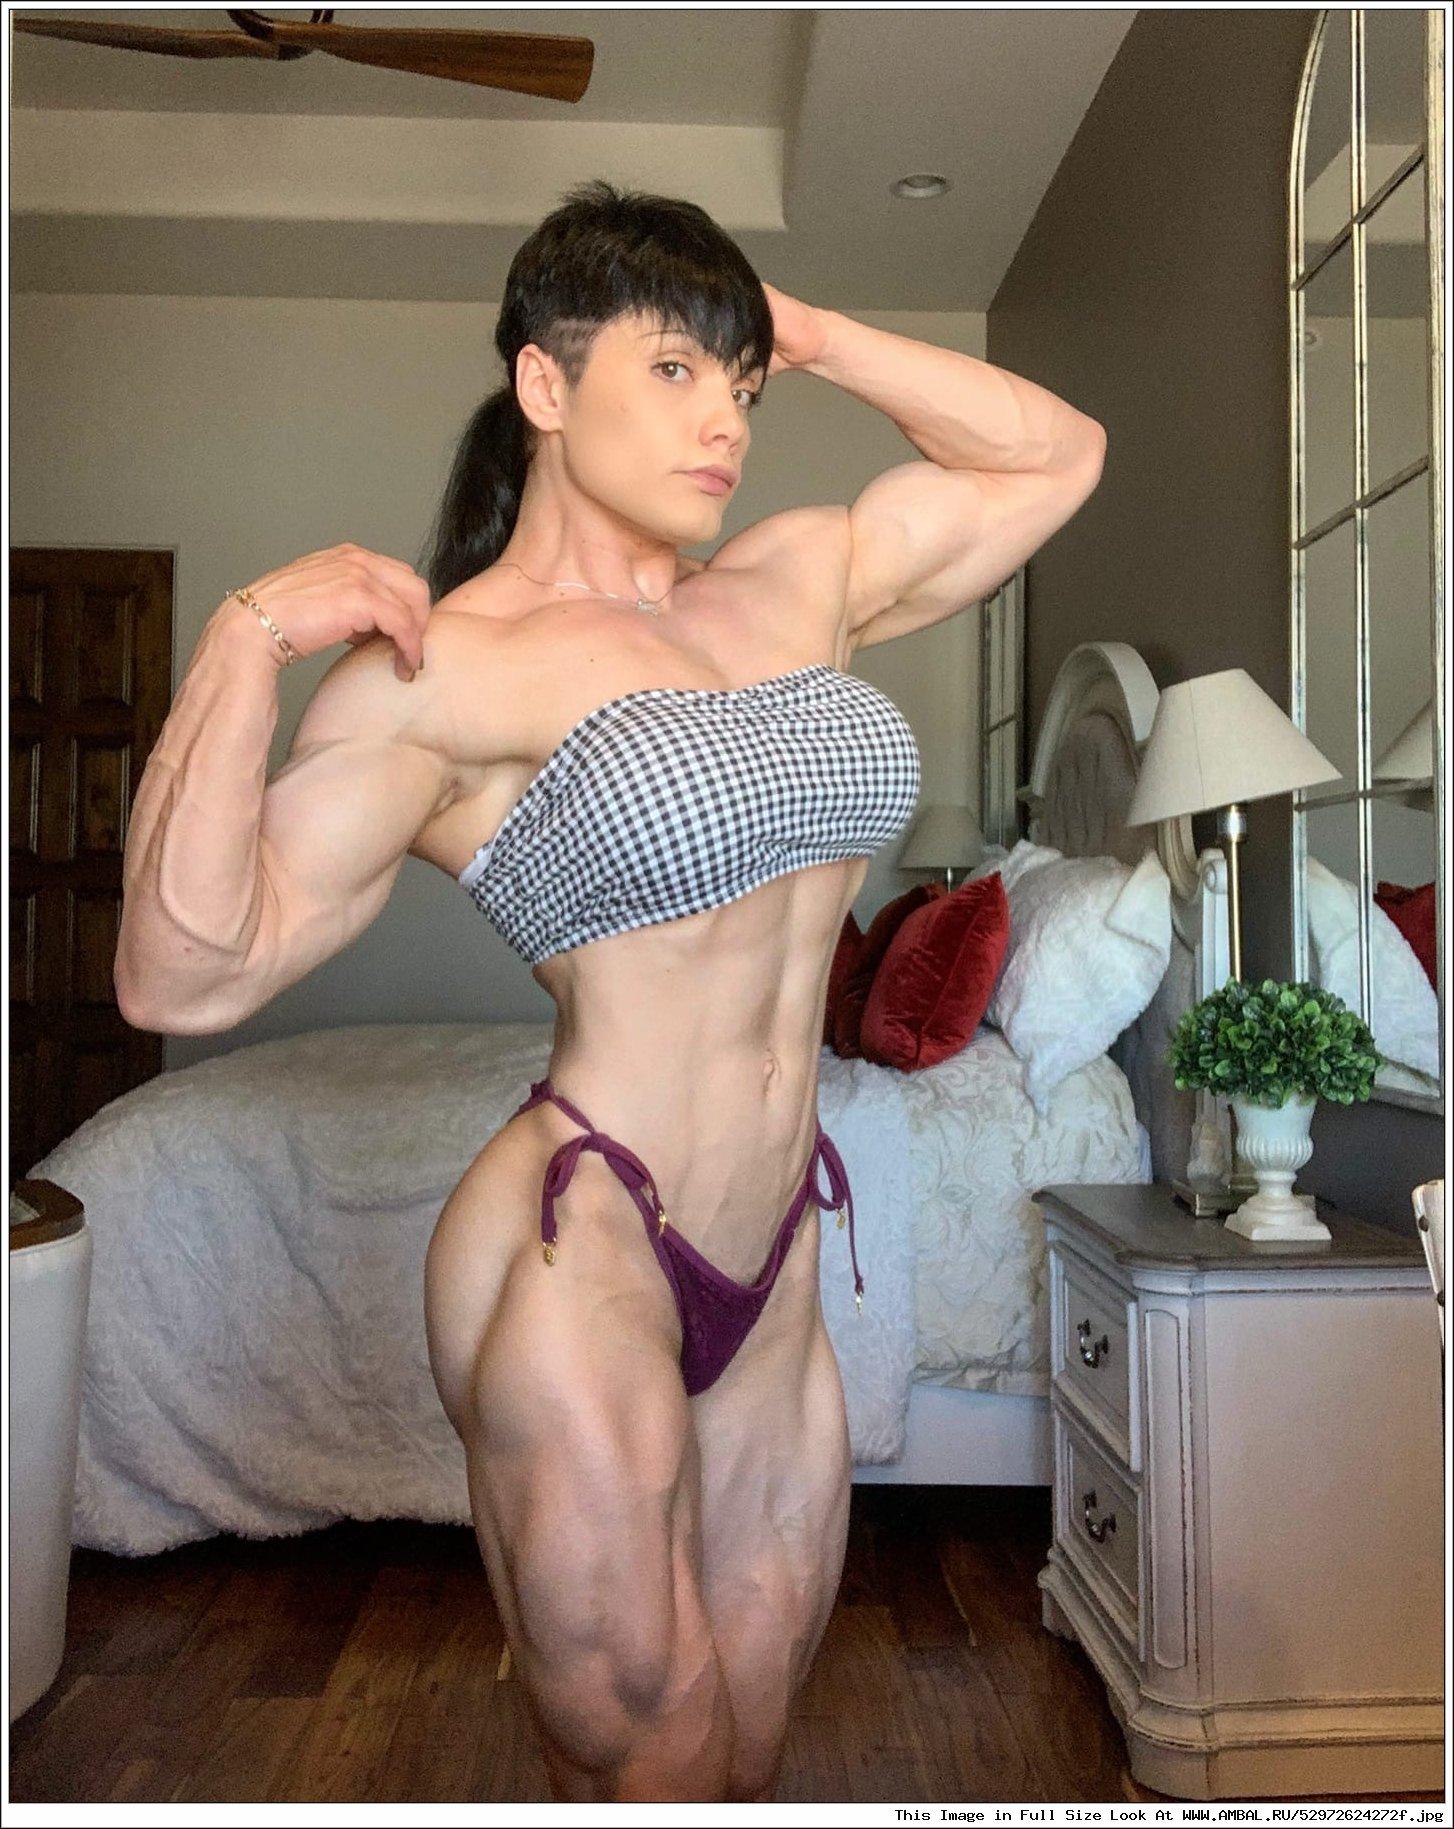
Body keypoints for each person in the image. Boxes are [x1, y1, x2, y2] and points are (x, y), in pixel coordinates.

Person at [114, 179, 1105, 1803]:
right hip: (589, 1229)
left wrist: (804, 332)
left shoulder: (798, 574)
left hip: (772, 1246)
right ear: (545, 383)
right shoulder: (445, 668)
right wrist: (246, 637)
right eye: (672, 369)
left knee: (747, 1740)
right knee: (644, 1742)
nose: (725, 421)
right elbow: (182, 965)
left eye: (742, 387)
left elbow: (1054, 456)